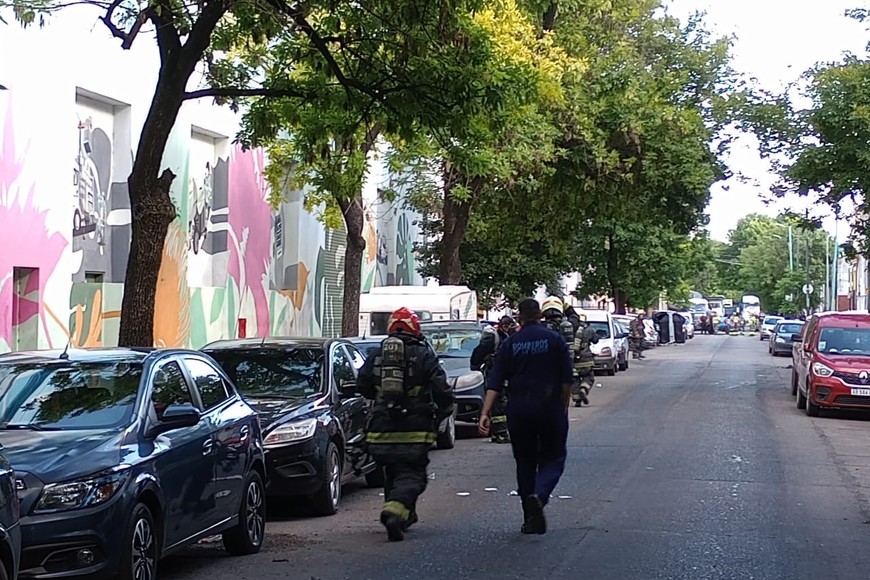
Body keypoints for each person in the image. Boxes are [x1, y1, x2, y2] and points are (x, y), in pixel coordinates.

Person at [356, 307, 455, 541]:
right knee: (412, 475)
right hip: (415, 429)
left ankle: (404, 515)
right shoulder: (423, 354)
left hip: (381, 430)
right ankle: (394, 511)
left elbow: (363, 385)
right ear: (415, 329)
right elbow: (441, 388)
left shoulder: (377, 354)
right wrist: (445, 411)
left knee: (392, 471)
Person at [478, 298, 573, 535]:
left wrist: (485, 412)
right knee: (554, 457)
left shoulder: (511, 344)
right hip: (549, 407)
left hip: (519, 410)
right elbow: (566, 379)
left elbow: (495, 381)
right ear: (540, 314)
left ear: (519, 316)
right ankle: (539, 496)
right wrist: (563, 407)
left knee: (525, 462)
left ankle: (530, 518)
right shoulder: (555, 340)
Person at [471, 326, 510, 443]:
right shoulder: (494, 336)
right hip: (497, 374)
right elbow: (478, 355)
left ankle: (499, 433)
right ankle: (500, 434)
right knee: (499, 404)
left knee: (499, 404)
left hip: (500, 374)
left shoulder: (506, 337)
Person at [571, 312, 599, 406]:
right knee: (589, 377)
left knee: (575, 380)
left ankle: (577, 399)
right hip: (587, 360)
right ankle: (584, 389)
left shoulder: (572, 330)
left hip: (574, 360)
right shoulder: (589, 330)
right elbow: (595, 340)